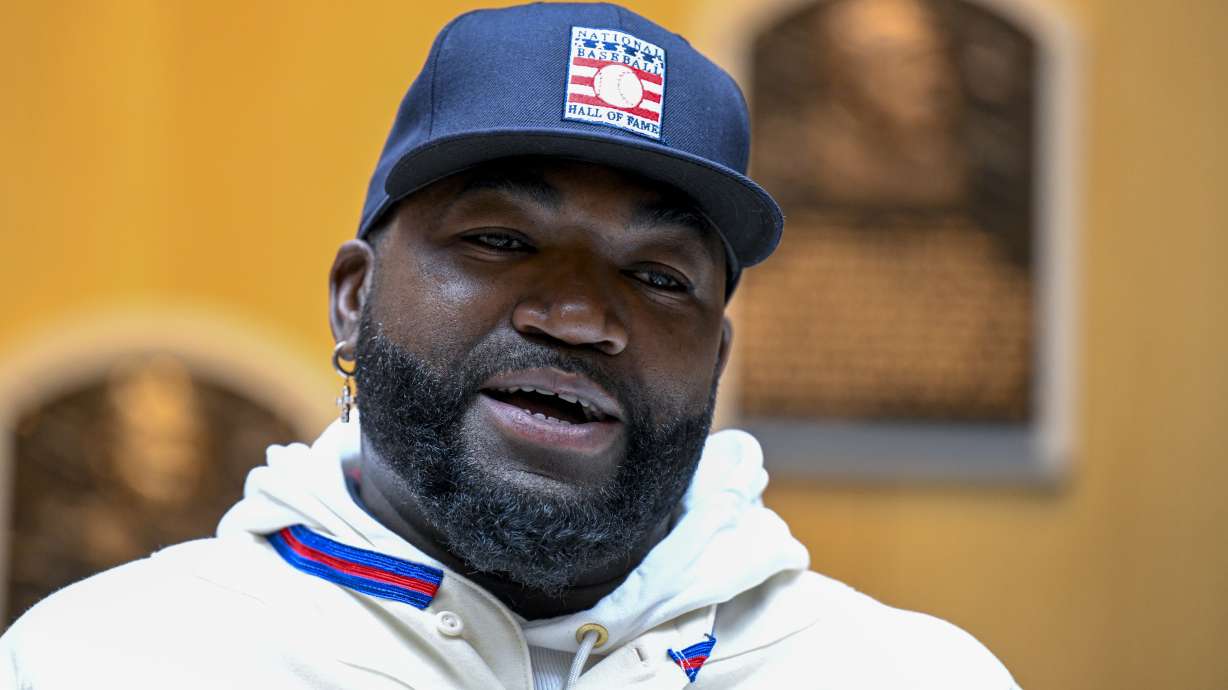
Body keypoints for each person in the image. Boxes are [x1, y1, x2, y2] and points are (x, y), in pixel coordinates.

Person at [0, 3, 1020, 688]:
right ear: (353, 299)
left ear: (715, 357)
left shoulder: (900, 674)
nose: (577, 317)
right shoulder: (107, 661)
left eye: (658, 276)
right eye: (501, 241)